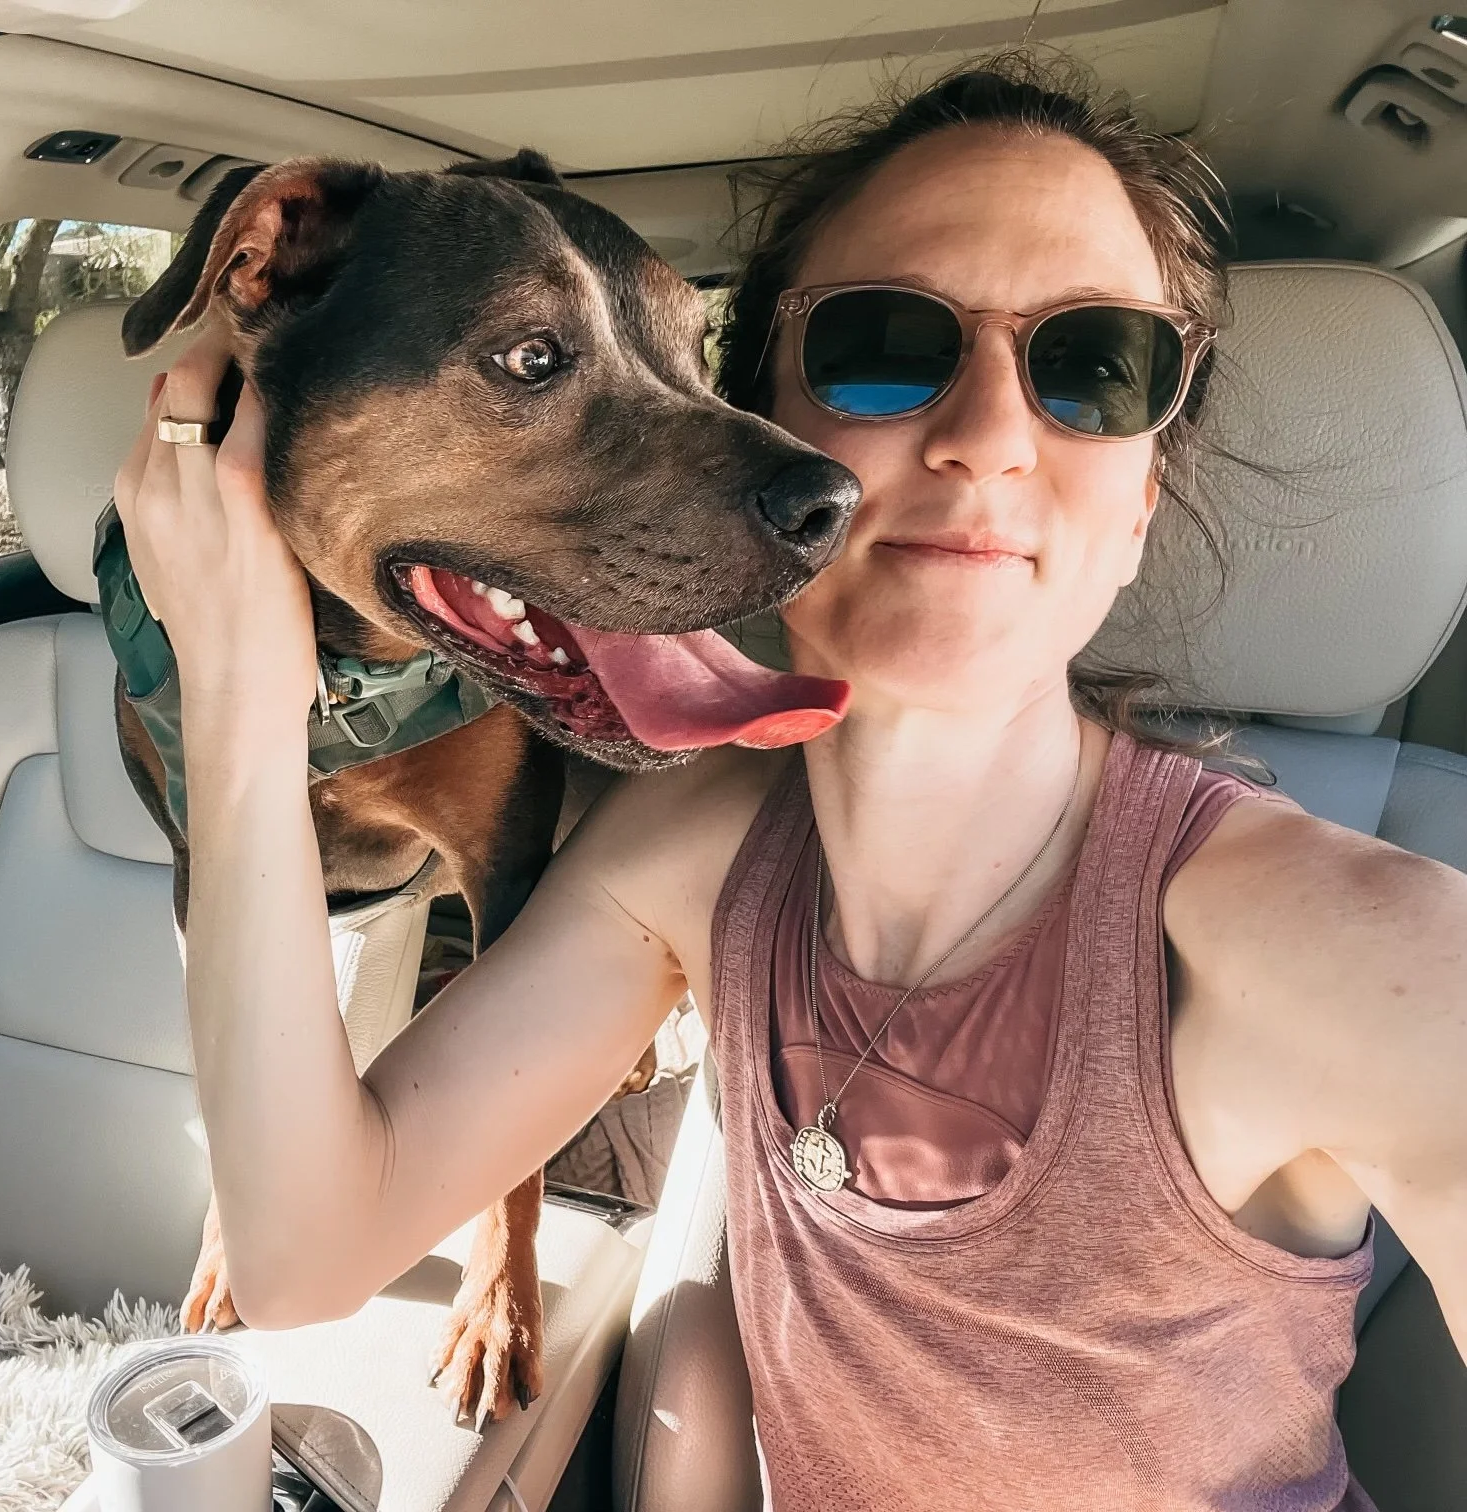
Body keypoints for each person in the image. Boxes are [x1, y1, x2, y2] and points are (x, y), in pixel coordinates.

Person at [112, 54, 1466, 1510]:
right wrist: (240, 689)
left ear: (1140, 496)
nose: (991, 436)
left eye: (1095, 367)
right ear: (760, 424)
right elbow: (305, 1254)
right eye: (885, 346)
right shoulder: (688, 858)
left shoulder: (1367, 956)